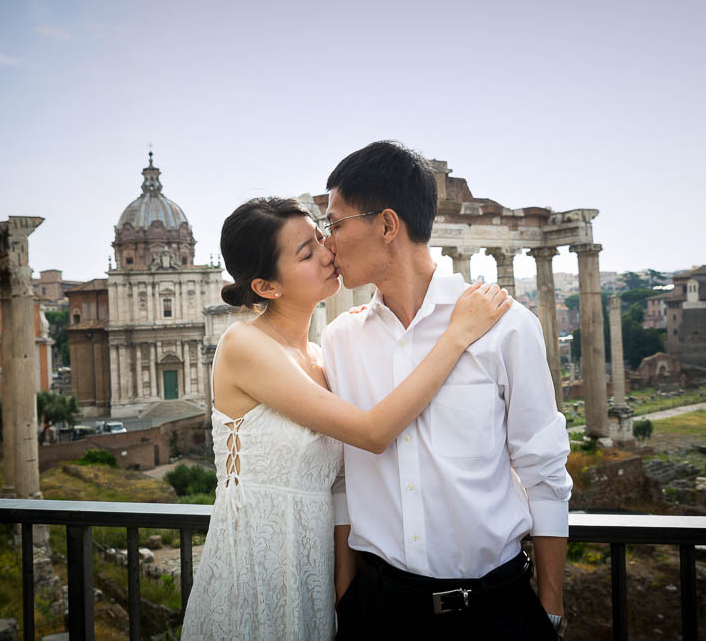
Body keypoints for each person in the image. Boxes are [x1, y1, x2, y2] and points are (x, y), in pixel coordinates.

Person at [181, 197, 512, 640]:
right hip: (255, 568)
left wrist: (343, 590)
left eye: (321, 237)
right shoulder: (244, 345)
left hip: (313, 573)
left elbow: (342, 484)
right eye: (306, 252)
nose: (327, 251)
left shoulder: (321, 356)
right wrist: (456, 336)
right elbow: (373, 433)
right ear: (267, 287)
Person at [321, 141, 573, 639]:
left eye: (334, 223)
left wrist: (549, 609)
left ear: (387, 225)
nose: (326, 242)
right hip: (376, 611)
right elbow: (346, 479)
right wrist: (345, 596)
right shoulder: (340, 339)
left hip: (495, 611)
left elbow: (543, 472)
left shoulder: (507, 327)